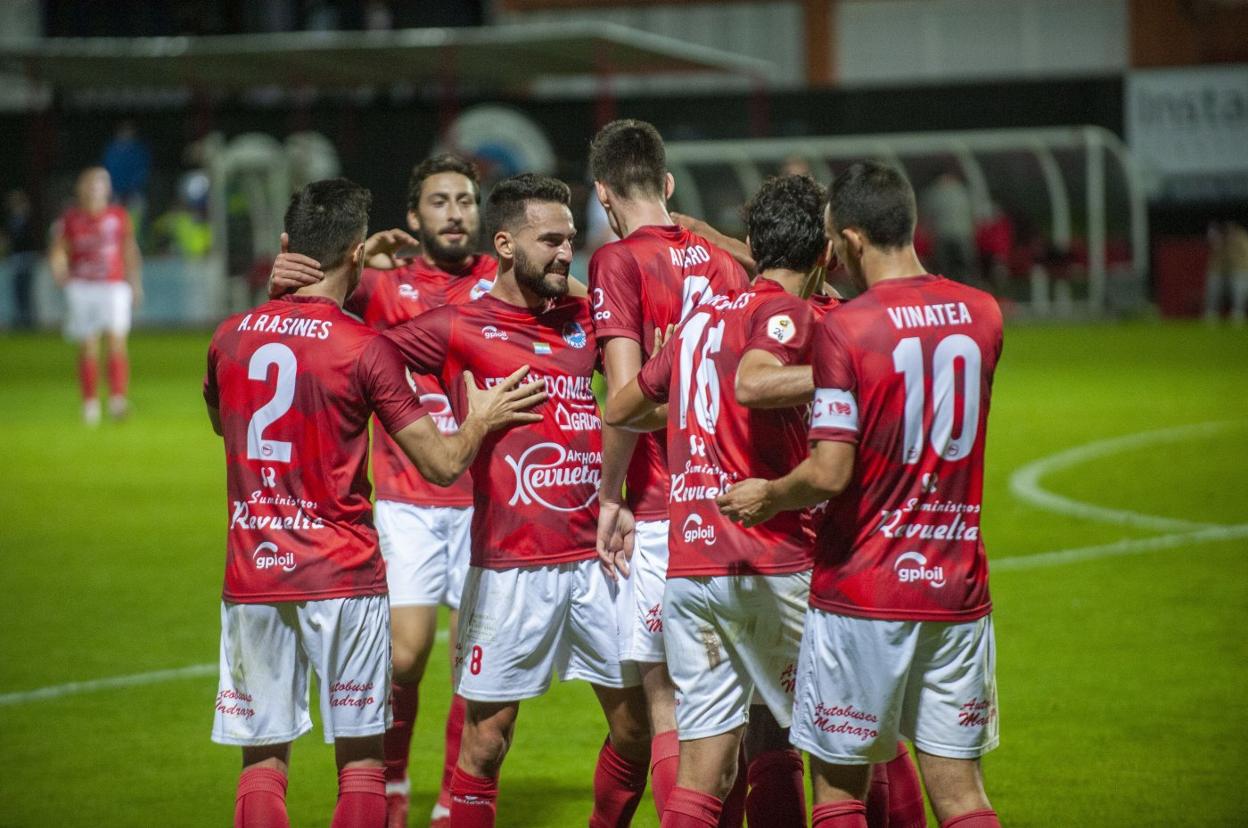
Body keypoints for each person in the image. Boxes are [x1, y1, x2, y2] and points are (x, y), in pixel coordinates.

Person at [202, 177, 546, 828]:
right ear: (359, 253)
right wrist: (483, 418)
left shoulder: (231, 337)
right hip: (342, 573)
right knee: (362, 763)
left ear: (285, 246)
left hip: (252, 575)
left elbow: (226, 423)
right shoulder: (365, 347)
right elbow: (443, 464)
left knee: (263, 761)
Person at [607, 175, 924, 828]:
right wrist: (853, 373)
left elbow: (621, 408)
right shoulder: (808, 319)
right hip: (775, 559)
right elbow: (757, 384)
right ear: (828, 257)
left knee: (712, 769)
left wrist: (691, 406)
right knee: (851, 741)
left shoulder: (698, 326)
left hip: (692, 570)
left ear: (751, 243)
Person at [718, 161, 1004, 828]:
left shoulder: (847, 328)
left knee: (841, 792)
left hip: (863, 587)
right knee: (961, 794)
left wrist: (769, 494)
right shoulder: (984, 314)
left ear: (849, 239)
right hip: (958, 584)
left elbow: (829, 473)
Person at [384, 174, 651, 828]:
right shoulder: (457, 325)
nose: (566, 252)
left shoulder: (585, 319)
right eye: (550, 240)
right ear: (505, 243)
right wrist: (448, 429)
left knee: (638, 730)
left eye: (570, 240)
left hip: (598, 560)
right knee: (486, 742)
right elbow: (364, 364)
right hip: (510, 566)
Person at [272, 152, 498, 828]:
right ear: (413, 216)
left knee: (475, 666)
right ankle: (391, 776)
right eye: (439, 201)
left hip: (489, 502)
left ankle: (456, 796)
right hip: (408, 500)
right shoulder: (380, 287)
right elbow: (304, 302)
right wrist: (363, 251)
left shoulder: (502, 281)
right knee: (405, 655)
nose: (455, 212)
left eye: (464, 199)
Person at [587, 119, 751, 821]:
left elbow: (627, 403)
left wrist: (607, 495)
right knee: (732, 718)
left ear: (603, 195)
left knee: (668, 706)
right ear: (669, 184)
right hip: (737, 505)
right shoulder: (723, 263)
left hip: (662, 508)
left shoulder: (616, 262)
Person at [48, 167, 143, 424]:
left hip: (113, 285)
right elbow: (59, 250)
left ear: (107, 188)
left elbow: (129, 250)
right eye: (90, 184)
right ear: (81, 188)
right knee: (88, 344)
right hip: (83, 286)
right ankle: (90, 405)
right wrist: (59, 270)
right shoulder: (70, 219)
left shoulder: (118, 216)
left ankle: (117, 401)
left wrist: (135, 284)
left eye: (100, 184)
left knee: (116, 341)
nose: (94, 189)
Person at [2, 189, 39, 329]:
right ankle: (20, 320)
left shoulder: (29, 220)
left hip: (27, 258)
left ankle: (28, 320)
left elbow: (32, 240)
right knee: (17, 291)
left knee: (26, 291)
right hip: (15, 259)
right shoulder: (10, 221)